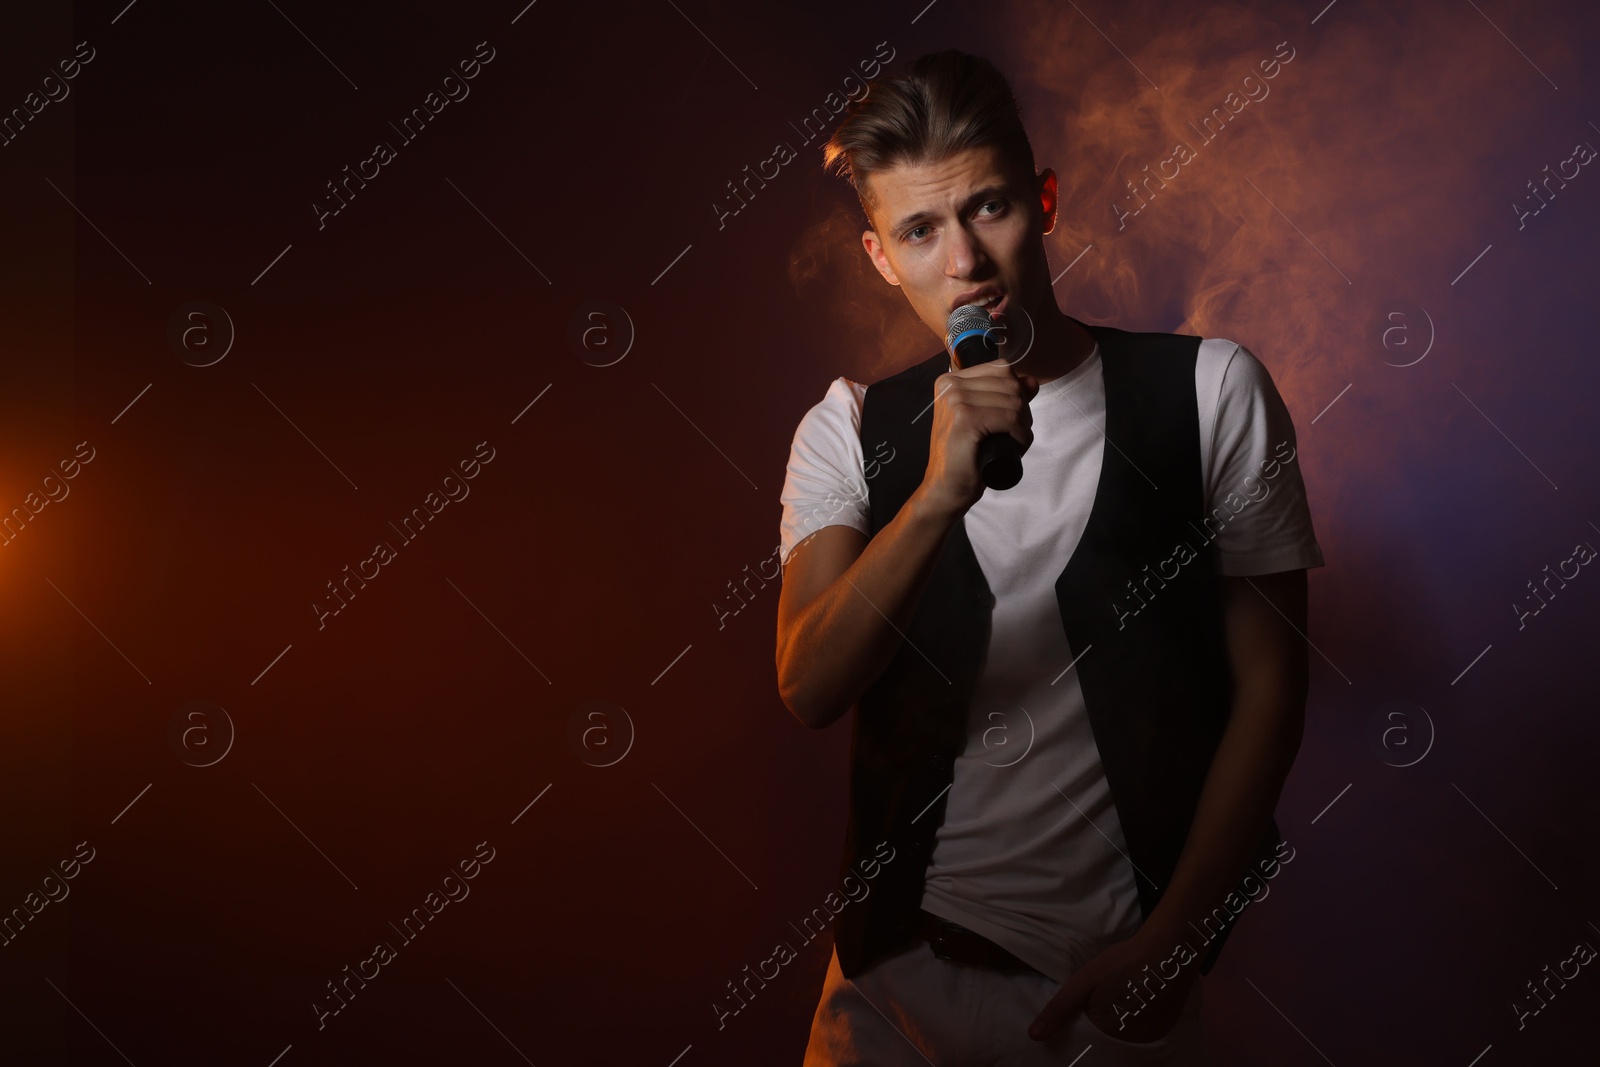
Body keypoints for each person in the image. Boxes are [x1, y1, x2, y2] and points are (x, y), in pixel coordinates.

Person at [774, 50, 1325, 1065]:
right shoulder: (846, 428)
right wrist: (940, 490)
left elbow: (1271, 688)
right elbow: (809, 682)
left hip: (1102, 995)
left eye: (988, 208)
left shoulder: (1210, 391)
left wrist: (1177, 939)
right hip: (885, 1001)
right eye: (920, 231)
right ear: (878, 256)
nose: (966, 263)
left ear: (1046, 199)